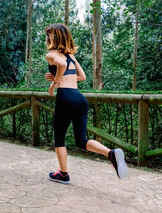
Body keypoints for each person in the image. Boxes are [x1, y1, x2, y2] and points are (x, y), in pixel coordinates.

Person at [44, 23, 128, 184]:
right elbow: (82, 76)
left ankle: (63, 174)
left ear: (52, 38)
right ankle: (111, 154)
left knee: (59, 139)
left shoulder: (51, 55)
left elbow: (60, 66)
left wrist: (55, 82)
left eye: (49, 35)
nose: (47, 38)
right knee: (82, 140)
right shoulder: (71, 56)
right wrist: (59, 77)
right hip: (79, 99)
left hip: (65, 97)